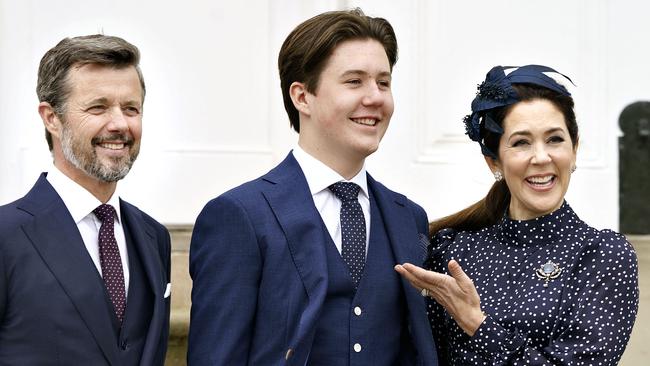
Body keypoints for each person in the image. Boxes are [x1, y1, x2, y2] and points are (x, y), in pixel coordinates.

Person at [188, 8, 438, 365]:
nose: (376, 97)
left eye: (383, 82)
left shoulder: (409, 217)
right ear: (302, 97)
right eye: (354, 82)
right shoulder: (238, 215)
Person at [396, 64, 639, 364]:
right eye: (521, 142)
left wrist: (477, 324)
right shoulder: (454, 251)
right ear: (493, 162)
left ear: (574, 149)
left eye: (555, 139)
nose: (541, 157)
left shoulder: (603, 255)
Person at [0, 35, 171, 365]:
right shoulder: (5, 235)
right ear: (51, 118)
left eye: (131, 108)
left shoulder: (154, 236)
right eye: (98, 107)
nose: (120, 123)